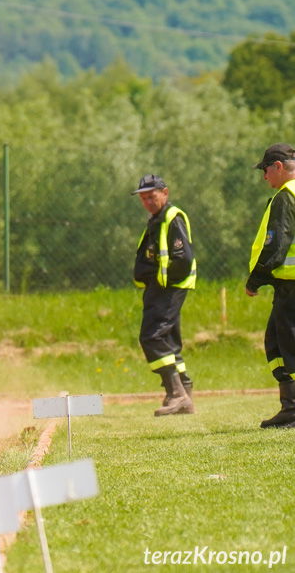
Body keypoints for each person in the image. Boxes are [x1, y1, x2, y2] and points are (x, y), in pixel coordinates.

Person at [132, 174, 197, 416]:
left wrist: (165, 283)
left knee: (152, 336)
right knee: (167, 339)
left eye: (152, 196)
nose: (148, 201)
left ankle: (177, 394)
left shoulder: (171, 217)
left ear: (165, 193)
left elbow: (183, 258)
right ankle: (184, 394)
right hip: (160, 289)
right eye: (143, 198)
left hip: (168, 289)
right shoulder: (156, 219)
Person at [247, 143, 295, 429]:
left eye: (265, 170)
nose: (264, 177)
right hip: (288, 286)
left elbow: (277, 243)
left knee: (286, 345)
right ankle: (289, 406)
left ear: (277, 166)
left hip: (291, 285)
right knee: (276, 343)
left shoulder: (286, 197)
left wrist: (256, 278)